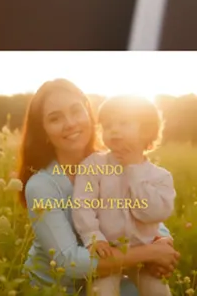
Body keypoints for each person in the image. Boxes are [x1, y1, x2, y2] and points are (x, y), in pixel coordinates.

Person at [17, 80, 179, 294]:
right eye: (55, 118)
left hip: (110, 273)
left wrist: (162, 240)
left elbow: (138, 210)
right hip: (57, 287)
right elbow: (69, 261)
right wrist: (150, 253)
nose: (70, 123)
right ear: (44, 131)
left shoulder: (115, 161)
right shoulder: (42, 186)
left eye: (76, 111)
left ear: (89, 114)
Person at [71, 95, 175, 296]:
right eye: (108, 126)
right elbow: (83, 205)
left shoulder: (160, 177)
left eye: (123, 123)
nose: (114, 130)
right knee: (102, 292)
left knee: (159, 291)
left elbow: (152, 214)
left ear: (146, 131)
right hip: (109, 252)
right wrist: (93, 238)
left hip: (145, 255)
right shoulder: (93, 166)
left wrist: (134, 169)